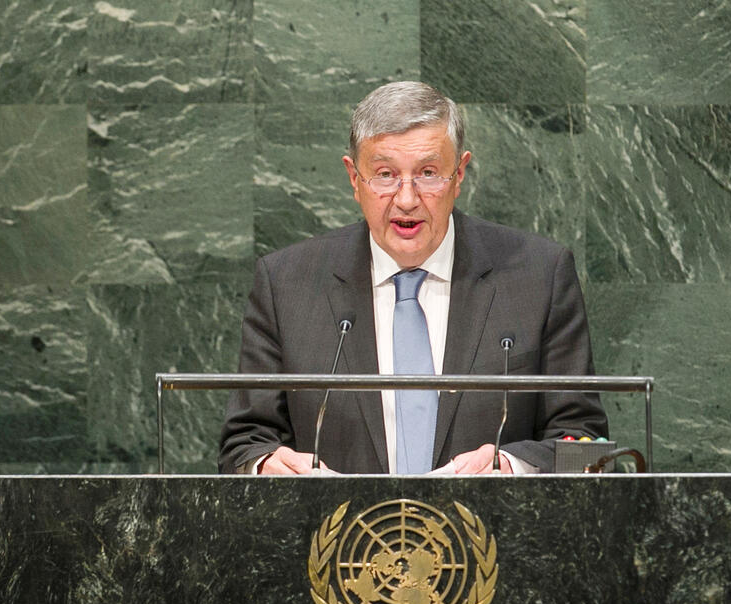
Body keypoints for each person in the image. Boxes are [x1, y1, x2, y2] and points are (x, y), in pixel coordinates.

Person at [218, 81, 607, 474]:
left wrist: (512, 467)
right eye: (385, 174)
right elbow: (243, 445)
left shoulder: (539, 276)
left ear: (459, 174)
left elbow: (586, 444)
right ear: (354, 178)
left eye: (428, 173)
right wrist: (265, 465)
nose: (406, 199)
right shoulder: (287, 284)